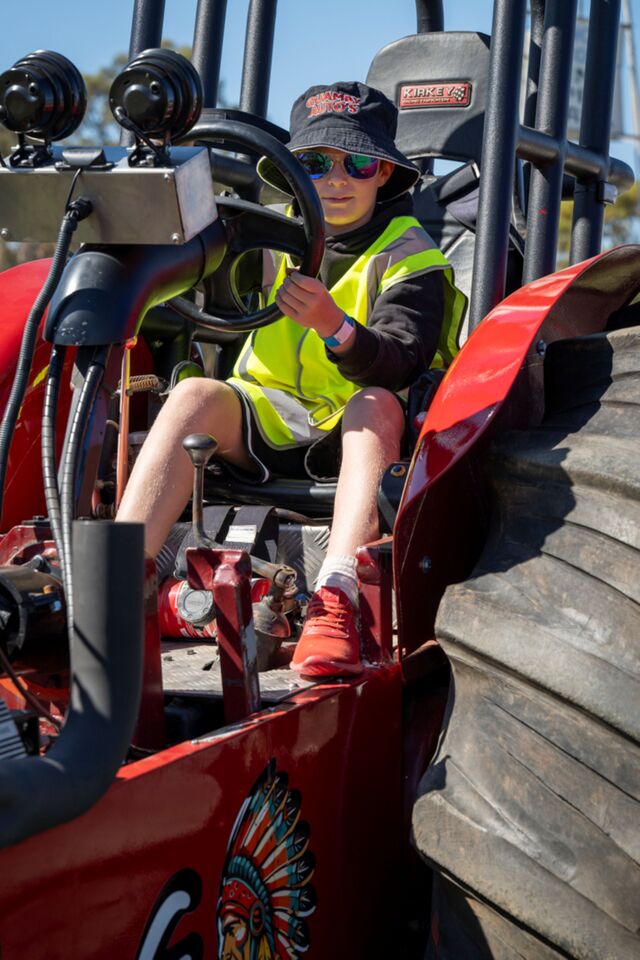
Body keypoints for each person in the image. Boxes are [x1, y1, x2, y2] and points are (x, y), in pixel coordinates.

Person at [117, 81, 466, 679]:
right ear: (291, 173)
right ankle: (116, 581)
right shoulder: (270, 235)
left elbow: (401, 360)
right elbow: (207, 293)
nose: (335, 179)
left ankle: (338, 598)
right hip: (265, 419)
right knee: (195, 391)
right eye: (313, 164)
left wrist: (338, 328)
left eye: (357, 163)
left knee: (375, 402)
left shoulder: (412, 258)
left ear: (384, 174)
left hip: (365, 440)